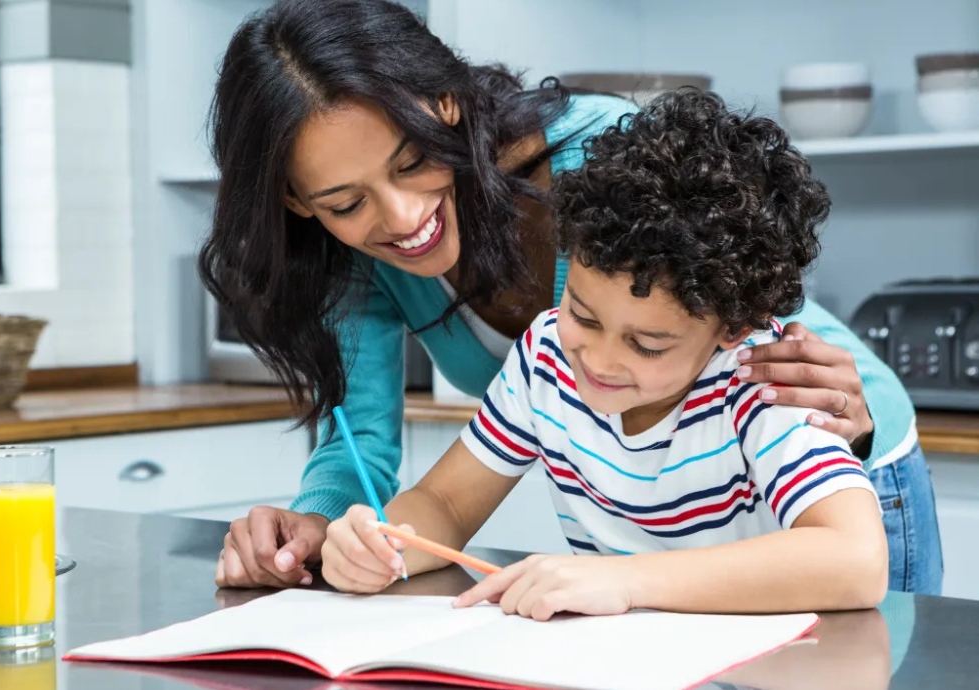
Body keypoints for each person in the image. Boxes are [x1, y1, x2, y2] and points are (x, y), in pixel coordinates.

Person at [199, 0, 941, 593]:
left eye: (413, 161)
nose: (398, 219)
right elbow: (384, 462)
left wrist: (624, 581)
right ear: (298, 202)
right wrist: (331, 537)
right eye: (343, 201)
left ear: (447, 108)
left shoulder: (615, 174)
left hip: (825, 449)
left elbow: (733, 302)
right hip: (656, 522)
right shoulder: (548, 357)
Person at [322, 91, 888, 616]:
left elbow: (856, 561)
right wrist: (381, 540)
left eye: (647, 343)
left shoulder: (762, 384)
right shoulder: (545, 357)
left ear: (733, 329)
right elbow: (444, 502)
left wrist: (623, 579)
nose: (598, 359)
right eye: (583, 315)